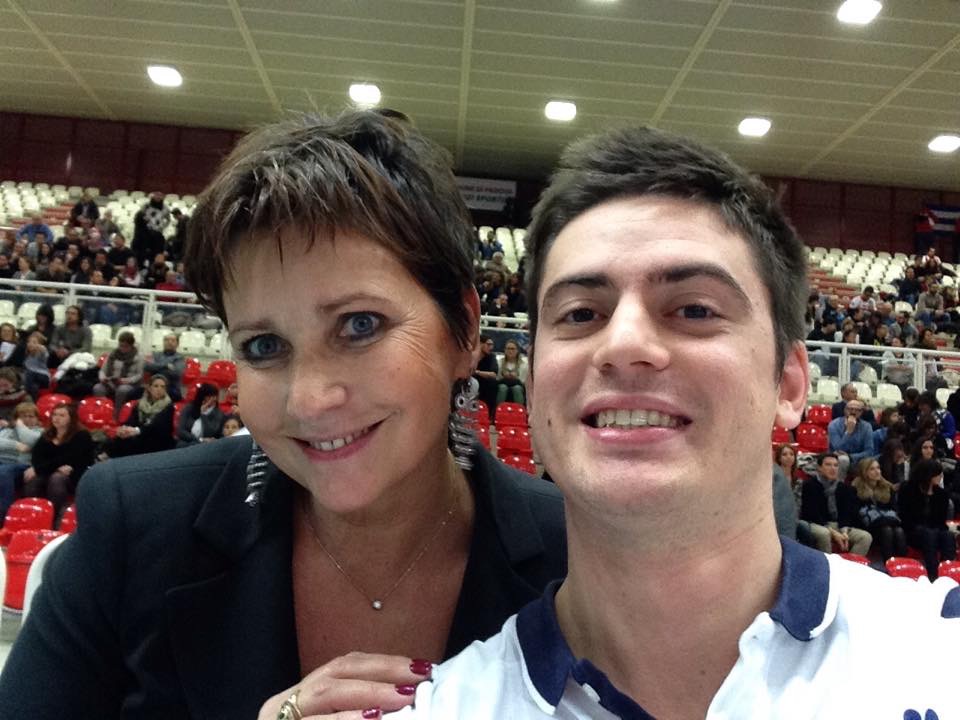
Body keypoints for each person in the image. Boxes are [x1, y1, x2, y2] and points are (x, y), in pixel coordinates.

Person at [0, 111, 567, 718]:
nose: (309, 399)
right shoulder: (133, 527)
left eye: (360, 325)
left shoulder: (578, 552)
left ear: (466, 329)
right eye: (264, 346)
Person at [392, 125, 959, 719]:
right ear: (532, 392)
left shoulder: (942, 652)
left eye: (693, 309)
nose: (624, 343)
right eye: (581, 314)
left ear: (790, 384)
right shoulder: (436, 710)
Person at [21, 402, 94, 522]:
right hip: (51, 471)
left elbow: (70, 458)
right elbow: (36, 457)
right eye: (54, 414)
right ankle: (32, 515)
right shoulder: (48, 434)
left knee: (57, 479)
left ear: (71, 418)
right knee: (33, 480)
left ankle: (56, 518)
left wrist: (39, 468)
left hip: (74, 473)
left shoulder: (82, 435)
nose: (56, 418)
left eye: (62, 415)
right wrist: (52, 467)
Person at [801, 453, 873, 556]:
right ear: (819, 468)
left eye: (835, 465)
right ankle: (827, 564)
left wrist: (844, 532)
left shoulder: (843, 487)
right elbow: (812, 514)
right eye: (828, 465)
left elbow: (845, 513)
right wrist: (834, 533)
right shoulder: (809, 485)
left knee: (865, 537)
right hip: (816, 523)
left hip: (837, 525)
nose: (833, 468)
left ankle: (850, 565)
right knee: (824, 533)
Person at [898, 458, 957, 580]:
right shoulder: (908, 489)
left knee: (948, 536)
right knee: (929, 534)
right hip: (913, 530)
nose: (941, 477)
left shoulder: (942, 494)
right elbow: (905, 517)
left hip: (935, 530)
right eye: (938, 474)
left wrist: (937, 530)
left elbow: (941, 522)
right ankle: (932, 574)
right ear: (928, 475)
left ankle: (948, 574)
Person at [100, 375, 176, 459]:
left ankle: (106, 457)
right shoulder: (140, 403)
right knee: (121, 437)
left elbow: (156, 426)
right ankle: (105, 457)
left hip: (158, 439)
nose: (159, 389)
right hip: (141, 435)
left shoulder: (169, 406)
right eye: (156, 386)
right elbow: (131, 420)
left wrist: (136, 431)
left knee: (129, 442)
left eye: (163, 387)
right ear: (149, 388)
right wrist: (125, 429)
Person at [850, 458, 906, 560]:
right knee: (887, 530)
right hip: (866, 526)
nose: (877, 471)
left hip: (888, 523)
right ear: (864, 472)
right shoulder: (855, 488)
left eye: (878, 468)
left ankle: (901, 563)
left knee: (899, 531)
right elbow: (856, 514)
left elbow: (894, 509)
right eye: (872, 469)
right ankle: (888, 563)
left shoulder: (887, 487)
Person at [0, 401, 42, 520]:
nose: (27, 419)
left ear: (37, 419)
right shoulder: (7, 431)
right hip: (2, 462)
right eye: (23, 416)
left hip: (21, 465)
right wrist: (16, 445)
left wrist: (20, 425)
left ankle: (3, 514)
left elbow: (30, 440)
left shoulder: (40, 432)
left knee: (3, 471)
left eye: (31, 416)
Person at [93, 330, 145, 414]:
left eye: (126, 346)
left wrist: (125, 381)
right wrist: (103, 378)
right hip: (111, 382)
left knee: (122, 390)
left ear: (131, 345)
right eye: (121, 345)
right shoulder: (112, 354)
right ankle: (102, 411)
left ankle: (117, 413)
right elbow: (103, 370)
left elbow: (139, 375)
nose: (122, 348)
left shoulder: (138, 357)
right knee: (98, 388)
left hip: (128, 383)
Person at [826, 398, 874, 478]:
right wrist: (848, 432)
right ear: (845, 410)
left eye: (857, 410)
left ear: (861, 412)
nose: (853, 412)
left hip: (858, 460)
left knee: (874, 462)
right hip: (836, 458)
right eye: (850, 409)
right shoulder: (834, 424)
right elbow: (838, 449)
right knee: (843, 459)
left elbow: (869, 451)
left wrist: (851, 456)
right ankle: (839, 484)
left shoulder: (867, 426)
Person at [175, 382, 224, 447]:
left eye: (215, 396)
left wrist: (203, 414)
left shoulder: (218, 413)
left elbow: (211, 432)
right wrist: (199, 440)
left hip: (207, 445)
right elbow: (180, 431)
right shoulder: (189, 408)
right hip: (187, 443)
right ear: (202, 397)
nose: (214, 399)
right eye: (210, 396)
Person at [143, 332, 186, 400]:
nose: (169, 342)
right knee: (133, 393)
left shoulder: (180, 358)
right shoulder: (156, 355)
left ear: (177, 344)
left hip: (171, 388)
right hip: (153, 387)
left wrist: (156, 367)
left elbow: (177, 373)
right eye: (166, 340)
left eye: (172, 340)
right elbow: (147, 366)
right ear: (163, 342)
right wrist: (165, 366)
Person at [473, 335, 498, 421]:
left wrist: (477, 372)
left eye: (492, 345)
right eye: (488, 344)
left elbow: (493, 374)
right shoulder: (472, 355)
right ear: (480, 344)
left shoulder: (491, 357)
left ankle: (489, 415)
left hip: (484, 382)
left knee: (492, 383)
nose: (491, 347)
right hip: (471, 380)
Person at [495, 339, 528, 406]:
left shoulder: (524, 364)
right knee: (502, 388)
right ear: (505, 350)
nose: (510, 351)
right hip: (503, 383)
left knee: (517, 388)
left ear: (517, 350)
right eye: (508, 349)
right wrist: (503, 376)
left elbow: (524, 381)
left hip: (518, 385)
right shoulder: (499, 362)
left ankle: (520, 410)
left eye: (512, 349)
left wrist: (516, 378)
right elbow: (496, 378)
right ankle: (498, 409)